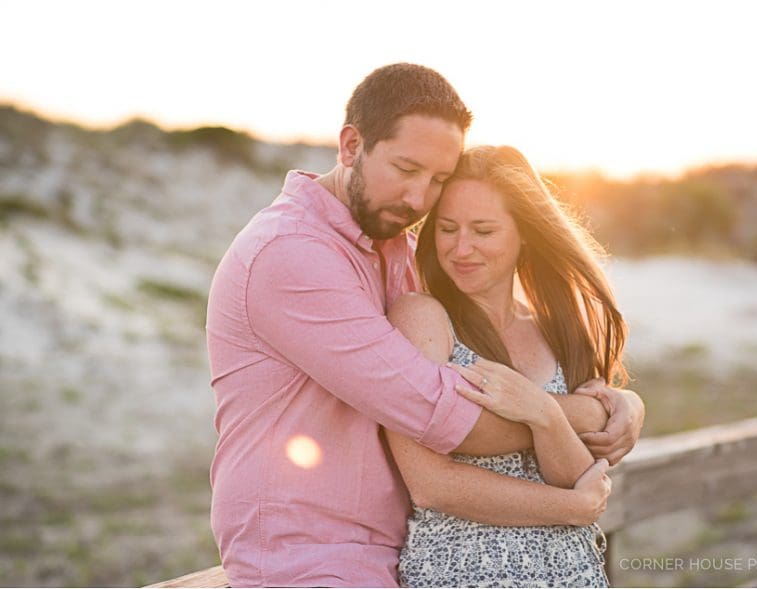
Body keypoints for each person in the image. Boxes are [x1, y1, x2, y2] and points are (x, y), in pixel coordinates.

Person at [206, 63, 644, 587]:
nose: (419, 200)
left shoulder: (396, 245)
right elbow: (444, 414)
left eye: (437, 179)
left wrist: (625, 404)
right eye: (406, 169)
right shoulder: (291, 253)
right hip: (308, 556)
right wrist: (583, 412)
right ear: (350, 146)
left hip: (391, 551)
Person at [386, 145, 630, 587]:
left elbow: (580, 474)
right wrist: (570, 507)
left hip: (570, 572)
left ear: (524, 236)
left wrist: (544, 413)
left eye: (483, 230)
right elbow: (431, 485)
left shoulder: (557, 331)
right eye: (447, 229)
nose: (462, 249)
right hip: (466, 572)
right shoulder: (421, 317)